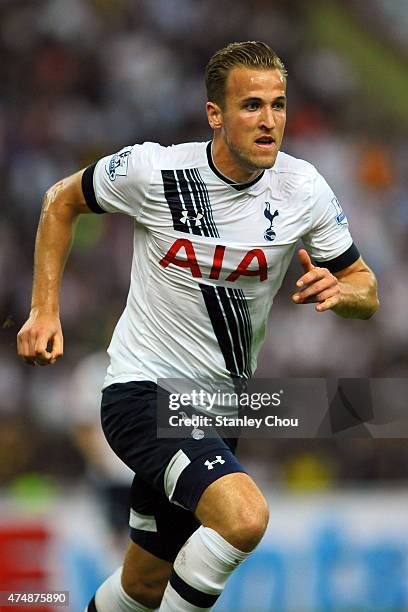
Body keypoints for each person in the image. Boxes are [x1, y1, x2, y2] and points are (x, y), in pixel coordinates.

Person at [17, 41, 379, 611]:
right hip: (142, 393)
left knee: (140, 586)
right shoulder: (156, 171)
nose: (269, 121)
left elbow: (366, 287)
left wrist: (343, 291)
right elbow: (60, 200)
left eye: (279, 105)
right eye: (251, 106)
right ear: (216, 114)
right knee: (244, 518)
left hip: (217, 410)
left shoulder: (303, 188)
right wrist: (44, 309)